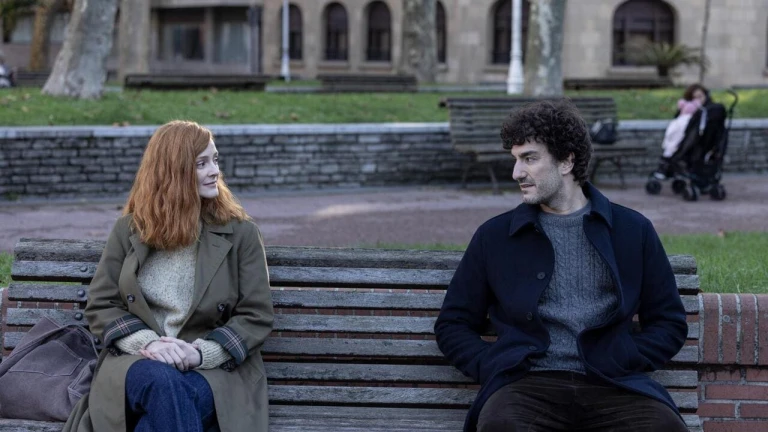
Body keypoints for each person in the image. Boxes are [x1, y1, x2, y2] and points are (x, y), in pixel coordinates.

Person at [434, 100, 689, 432]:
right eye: (515, 159)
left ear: (567, 161)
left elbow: (669, 322)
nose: (516, 173)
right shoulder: (495, 236)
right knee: (502, 426)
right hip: (526, 386)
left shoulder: (632, 230)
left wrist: (625, 355)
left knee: (662, 427)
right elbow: (453, 323)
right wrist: (492, 364)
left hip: (613, 382)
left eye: (529, 159)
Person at [64, 120, 275, 432]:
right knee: (161, 381)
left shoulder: (241, 233)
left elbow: (256, 315)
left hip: (212, 369)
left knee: (166, 405)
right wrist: (150, 344)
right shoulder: (129, 230)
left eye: (215, 160)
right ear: (172, 170)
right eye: (201, 164)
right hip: (137, 361)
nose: (214, 171)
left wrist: (201, 354)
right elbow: (101, 304)